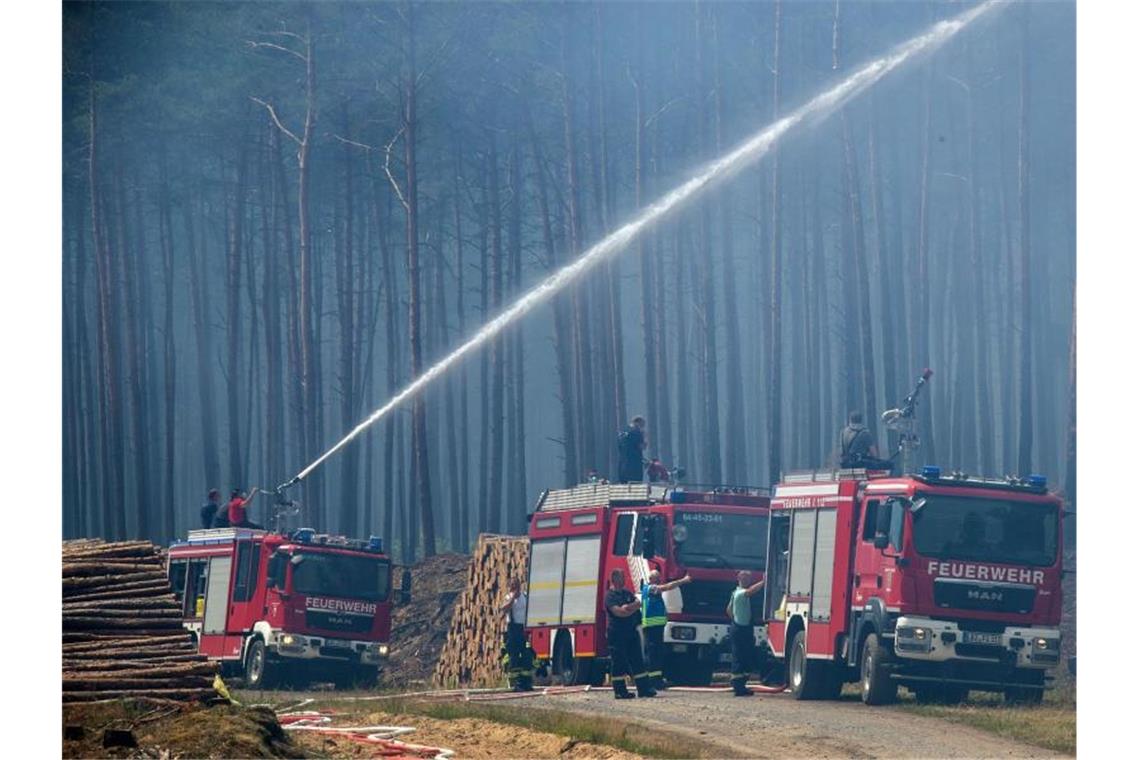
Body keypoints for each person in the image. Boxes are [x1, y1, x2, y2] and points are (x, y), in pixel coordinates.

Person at [605, 568, 655, 699]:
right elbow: (619, 612)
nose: (624, 580)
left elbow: (638, 603)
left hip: (631, 632)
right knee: (619, 662)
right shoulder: (610, 596)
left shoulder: (627, 593)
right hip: (616, 634)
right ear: (615, 579)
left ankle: (644, 689)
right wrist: (628, 608)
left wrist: (628, 608)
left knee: (637, 660)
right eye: (622, 577)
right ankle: (620, 691)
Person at [640, 569, 691, 689]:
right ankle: (653, 681)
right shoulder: (651, 589)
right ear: (651, 579)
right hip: (652, 627)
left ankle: (656, 679)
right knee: (654, 654)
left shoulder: (649, 590)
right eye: (656, 578)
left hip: (655, 627)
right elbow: (667, 587)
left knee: (657, 653)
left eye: (659, 578)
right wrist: (683, 581)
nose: (659, 580)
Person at [725, 570, 765, 696]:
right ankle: (738, 686)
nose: (748, 580)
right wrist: (764, 582)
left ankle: (742, 685)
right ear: (739, 578)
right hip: (740, 629)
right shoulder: (740, 593)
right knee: (739, 657)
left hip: (742, 627)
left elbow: (728, 610)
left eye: (749, 578)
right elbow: (750, 592)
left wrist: (735, 620)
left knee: (746, 656)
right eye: (746, 578)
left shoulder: (734, 593)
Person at [499, 578, 532, 692]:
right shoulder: (508, 597)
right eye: (512, 585)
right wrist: (513, 598)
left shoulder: (525, 596)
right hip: (512, 629)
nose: (515, 587)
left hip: (524, 629)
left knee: (527, 656)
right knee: (514, 657)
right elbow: (503, 608)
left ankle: (526, 682)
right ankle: (514, 684)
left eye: (516, 584)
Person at [617, 416, 648, 483]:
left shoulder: (623, 432)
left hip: (622, 465)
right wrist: (645, 437)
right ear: (639, 423)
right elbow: (642, 446)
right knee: (635, 486)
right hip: (634, 466)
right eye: (643, 425)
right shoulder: (636, 432)